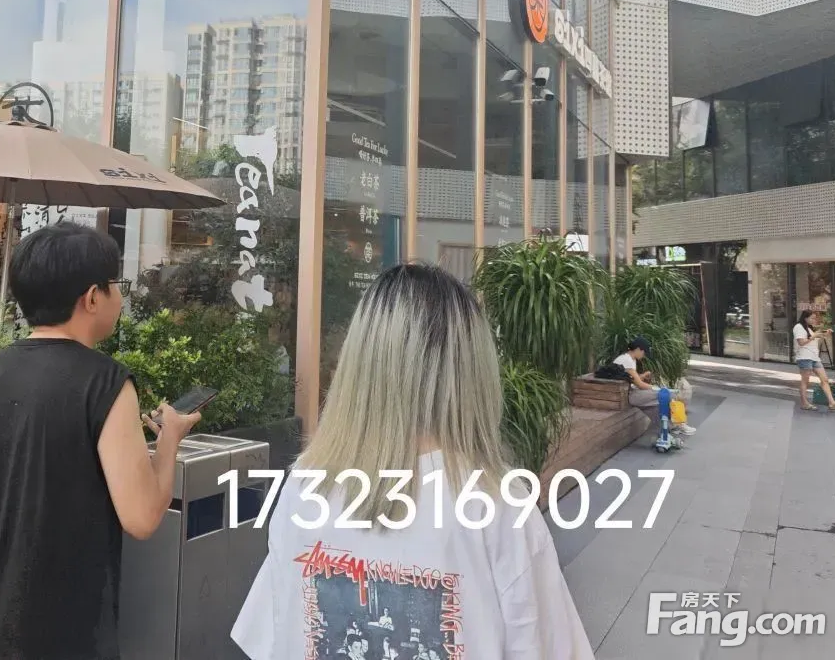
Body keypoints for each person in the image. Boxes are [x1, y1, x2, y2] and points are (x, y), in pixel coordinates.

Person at [231, 263, 595, 659]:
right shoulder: (496, 502)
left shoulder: (306, 482)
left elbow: (271, 636)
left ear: (359, 361)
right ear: (471, 370)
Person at [0, 223, 201, 659]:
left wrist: (17, 502)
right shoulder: (105, 382)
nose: (119, 297)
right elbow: (142, 517)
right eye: (115, 285)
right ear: (91, 298)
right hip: (66, 634)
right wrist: (170, 440)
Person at [612, 336, 697, 436]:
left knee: (656, 407)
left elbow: (632, 379)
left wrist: (643, 376)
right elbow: (640, 385)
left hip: (629, 393)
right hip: (631, 395)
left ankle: (670, 429)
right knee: (669, 395)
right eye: (644, 353)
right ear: (638, 349)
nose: (644, 356)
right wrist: (659, 389)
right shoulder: (627, 360)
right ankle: (680, 425)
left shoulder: (628, 359)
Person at [791, 310, 835, 411]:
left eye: (815, 318)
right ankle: (805, 403)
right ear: (805, 318)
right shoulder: (798, 327)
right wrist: (814, 336)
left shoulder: (809, 328)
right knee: (805, 380)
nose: (814, 320)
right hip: (804, 357)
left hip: (814, 357)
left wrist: (824, 335)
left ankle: (832, 403)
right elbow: (801, 342)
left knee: (824, 379)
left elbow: (813, 341)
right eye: (812, 318)